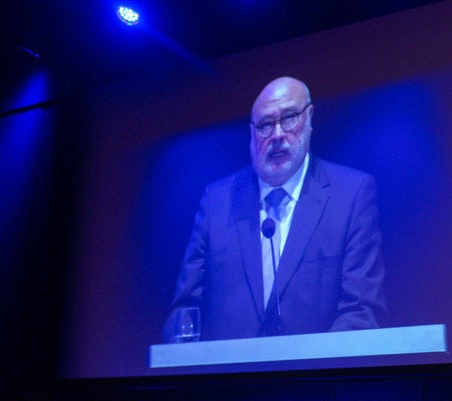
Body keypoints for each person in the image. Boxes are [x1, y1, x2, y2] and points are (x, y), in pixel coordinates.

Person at [163, 77, 386, 342]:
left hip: (315, 380)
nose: (278, 135)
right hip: (227, 381)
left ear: (310, 118)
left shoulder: (351, 194)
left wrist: (305, 371)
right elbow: (184, 313)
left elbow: (362, 313)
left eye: (290, 117)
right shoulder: (216, 202)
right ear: (251, 133)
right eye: (266, 125)